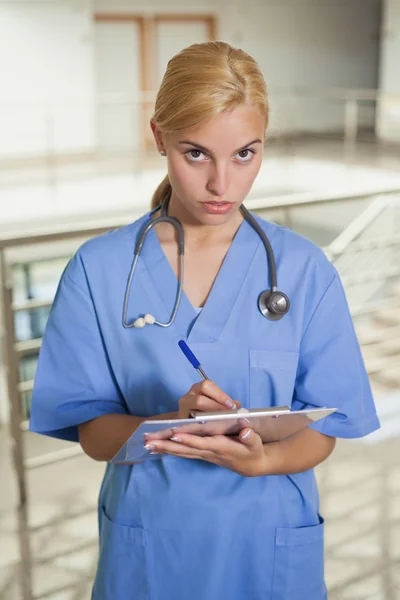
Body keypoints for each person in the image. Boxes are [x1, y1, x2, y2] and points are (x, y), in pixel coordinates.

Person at [30, 41, 380, 599]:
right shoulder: (99, 270)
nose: (222, 184)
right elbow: (93, 433)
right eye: (196, 154)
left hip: (268, 546)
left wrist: (263, 460)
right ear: (159, 138)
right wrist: (172, 422)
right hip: (152, 547)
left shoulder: (303, 270)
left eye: (245, 154)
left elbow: (325, 430)